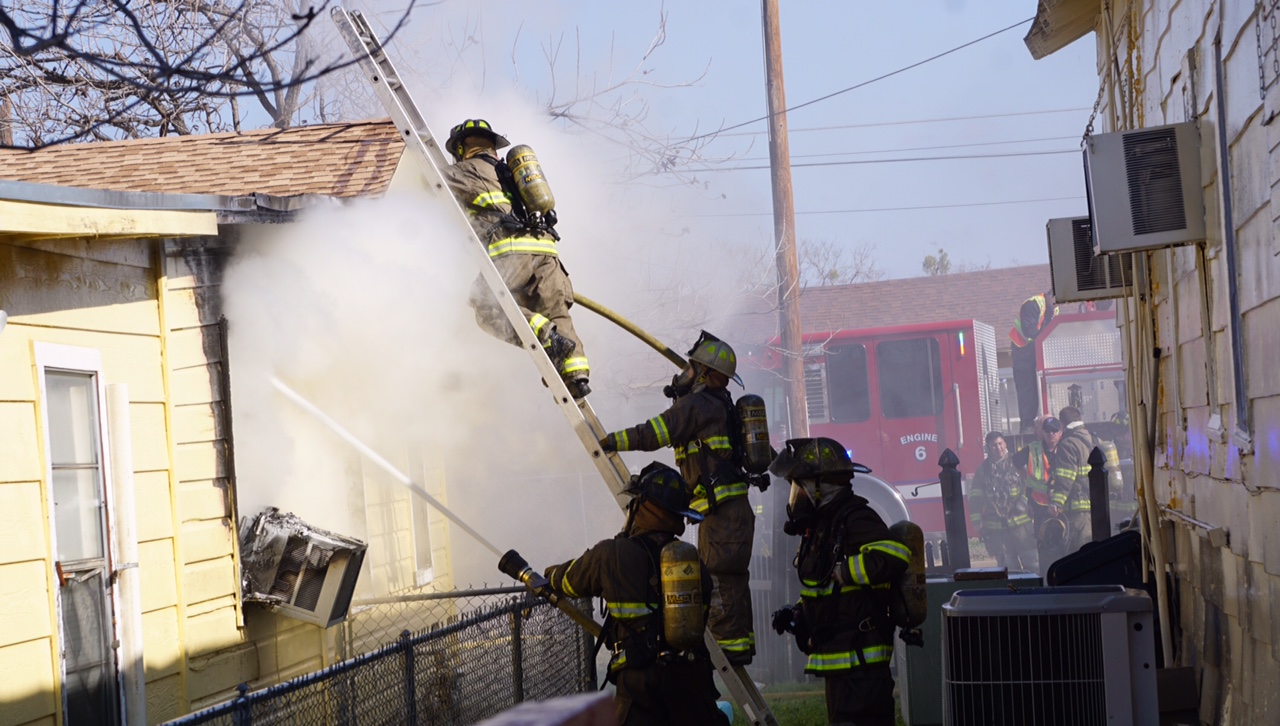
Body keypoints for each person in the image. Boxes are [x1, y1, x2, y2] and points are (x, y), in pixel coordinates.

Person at [599, 332, 757, 665]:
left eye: (692, 367)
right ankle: (737, 645)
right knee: (732, 576)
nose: (684, 373)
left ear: (705, 374)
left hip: (721, 512)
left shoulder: (697, 406)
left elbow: (654, 433)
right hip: (732, 510)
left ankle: (729, 649)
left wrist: (611, 440)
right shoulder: (721, 405)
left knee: (718, 574)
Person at [542, 462, 728, 726]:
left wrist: (547, 576)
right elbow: (703, 611)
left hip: (641, 682)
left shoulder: (611, 554)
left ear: (641, 508)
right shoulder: (690, 562)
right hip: (691, 677)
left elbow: (569, 581)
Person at [442, 118, 591, 399]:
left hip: (512, 252)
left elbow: (429, 184)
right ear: (494, 147)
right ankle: (577, 376)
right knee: (558, 312)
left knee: (485, 306)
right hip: (548, 255)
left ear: (462, 148)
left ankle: (547, 336)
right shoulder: (512, 173)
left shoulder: (468, 169)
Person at [768, 437, 910, 726]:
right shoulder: (824, 525)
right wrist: (797, 612)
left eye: (801, 486)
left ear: (823, 486)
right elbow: (824, 586)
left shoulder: (856, 517)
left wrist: (847, 571)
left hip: (861, 664)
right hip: (841, 662)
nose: (797, 497)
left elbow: (895, 555)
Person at [969, 432, 1039, 573]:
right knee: (1009, 570)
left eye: (1000, 443)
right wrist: (977, 522)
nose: (998, 448)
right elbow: (975, 497)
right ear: (988, 448)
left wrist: (1023, 504)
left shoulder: (1017, 463)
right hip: (997, 530)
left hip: (1021, 527)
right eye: (994, 445)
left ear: (1005, 444)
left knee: (1033, 565)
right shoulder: (983, 470)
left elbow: (1032, 485)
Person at [1012, 415, 1063, 572]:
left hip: (1063, 505)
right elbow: (1016, 460)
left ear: (1060, 432)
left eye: (1054, 430)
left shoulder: (1067, 446)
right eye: (1047, 431)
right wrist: (1025, 477)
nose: (1050, 434)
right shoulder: (1033, 448)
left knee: (1063, 545)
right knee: (1044, 547)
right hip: (1040, 506)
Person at [1010, 291, 1058, 432]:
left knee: (1040, 390)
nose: (1057, 304)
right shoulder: (1033, 304)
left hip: (1037, 354)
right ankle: (1027, 426)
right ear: (1051, 296)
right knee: (1027, 392)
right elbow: (1030, 331)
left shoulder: (1053, 308)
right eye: (1055, 300)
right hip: (1023, 354)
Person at [1050, 406, 1095, 555]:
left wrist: (1056, 503)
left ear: (1062, 424)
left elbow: (1065, 479)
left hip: (1079, 512)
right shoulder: (1095, 438)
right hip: (1098, 508)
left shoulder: (1068, 444)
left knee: (1080, 554)